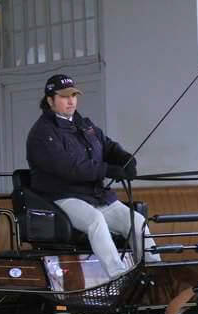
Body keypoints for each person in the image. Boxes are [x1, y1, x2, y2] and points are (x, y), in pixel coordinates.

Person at [26, 74, 160, 278]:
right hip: (62, 197)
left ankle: (155, 272)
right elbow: (69, 167)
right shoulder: (42, 134)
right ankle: (118, 276)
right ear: (50, 100)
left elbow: (107, 146)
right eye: (64, 97)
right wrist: (107, 170)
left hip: (95, 195)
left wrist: (124, 158)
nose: (71, 101)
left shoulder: (83, 124)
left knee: (136, 221)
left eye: (73, 95)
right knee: (95, 221)